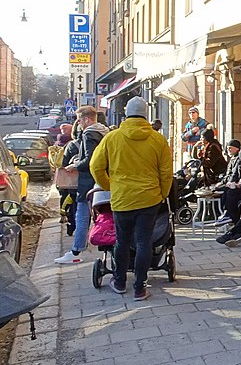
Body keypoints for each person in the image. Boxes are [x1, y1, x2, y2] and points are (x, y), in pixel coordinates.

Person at [89, 97, 173, 301]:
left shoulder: (112, 138)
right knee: (144, 242)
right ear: (146, 114)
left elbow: (95, 166)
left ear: (126, 113)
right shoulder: (157, 139)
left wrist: (109, 185)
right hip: (149, 199)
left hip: (122, 198)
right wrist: (162, 193)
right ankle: (140, 286)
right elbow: (166, 172)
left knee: (122, 241)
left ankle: (119, 281)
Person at [53, 106, 109, 265]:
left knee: (82, 217)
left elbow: (90, 160)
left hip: (88, 183)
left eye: (79, 119)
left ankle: (76, 251)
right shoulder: (104, 132)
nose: (78, 123)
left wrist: (76, 165)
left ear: (87, 119)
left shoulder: (89, 134)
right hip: (102, 181)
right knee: (102, 216)